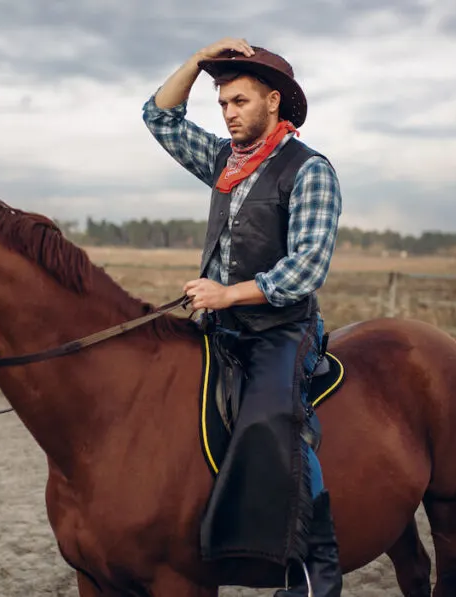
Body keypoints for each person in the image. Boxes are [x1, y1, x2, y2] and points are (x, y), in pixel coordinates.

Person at [142, 38, 343, 597]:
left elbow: (306, 268)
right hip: (220, 325)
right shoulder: (223, 163)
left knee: (271, 422)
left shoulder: (309, 171)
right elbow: (159, 116)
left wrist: (228, 295)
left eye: (239, 101)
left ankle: (312, 570)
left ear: (273, 102)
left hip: (282, 330)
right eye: (222, 103)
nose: (228, 113)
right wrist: (197, 60)